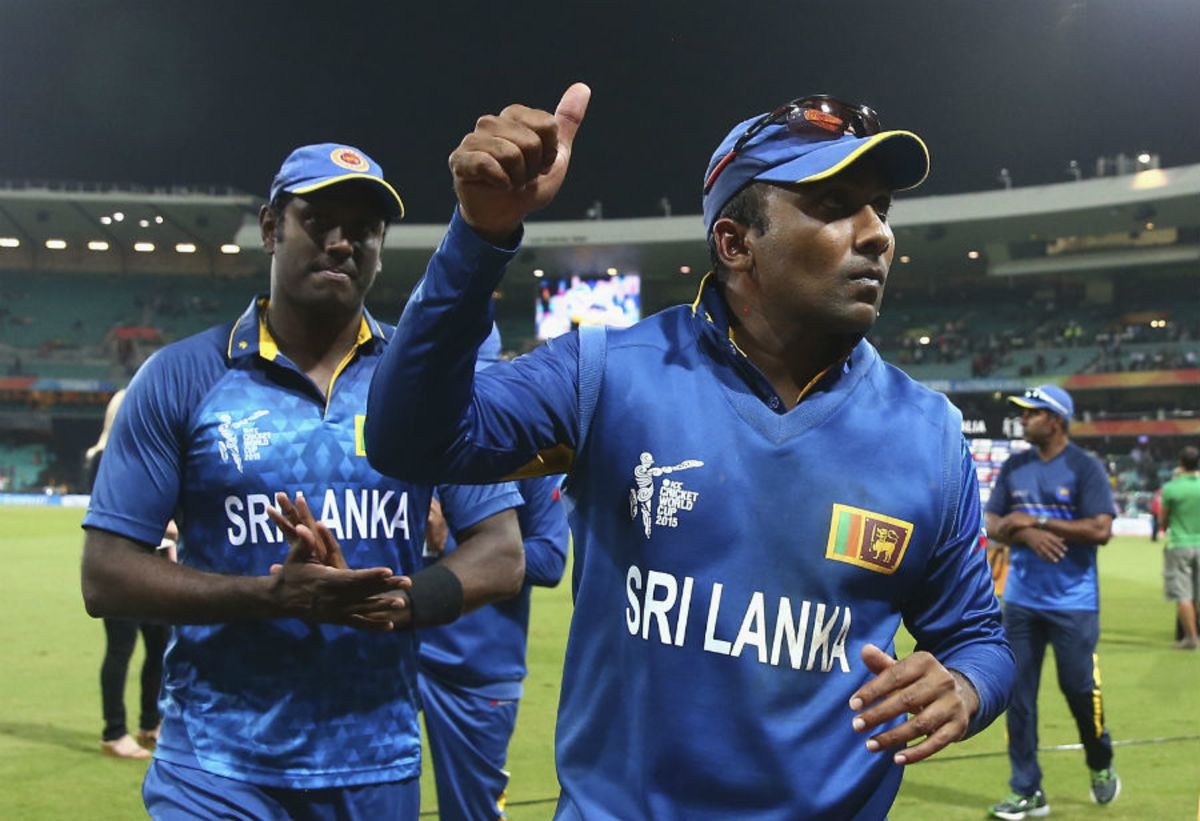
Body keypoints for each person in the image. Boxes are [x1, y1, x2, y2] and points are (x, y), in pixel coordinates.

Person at [365, 85, 1014, 819]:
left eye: (880, 209)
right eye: (835, 207)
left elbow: (977, 639)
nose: (877, 235)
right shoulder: (608, 373)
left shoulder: (927, 433)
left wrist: (962, 686)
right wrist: (479, 237)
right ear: (736, 243)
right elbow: (409, 440)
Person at [80, 143, 525, 819]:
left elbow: (502, 549)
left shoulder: (427, 382)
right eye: (319, 219)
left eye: (365, 227)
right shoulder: (181, 377)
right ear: (270, 228)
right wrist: (272, 595)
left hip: (375, 761)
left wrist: (399, 601)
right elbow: (106, 573)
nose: (343, 242)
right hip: (214, 764)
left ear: (380, 247)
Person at [418, 325, 570, 820]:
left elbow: (549, 560)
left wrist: (458, 546)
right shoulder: (410, 433)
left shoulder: (528, 448)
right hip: (398, 652)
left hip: (478, 668)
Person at [985, 384, 1120, 818]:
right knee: (1017, 696)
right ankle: (1027, 789)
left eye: (1031, 413)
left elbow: (1101, 530)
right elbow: (991, 522)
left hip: (1074, 603)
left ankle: (1100, 762)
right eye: (1022, 413)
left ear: (1056, 420)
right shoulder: (1014, 467)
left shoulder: (1085, 468)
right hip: (1021, 601)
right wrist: (1023, 532)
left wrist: (1041, 521)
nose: (1022, 420)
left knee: (1079, 689)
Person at [86, 388, 170, 760]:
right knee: (121, 648)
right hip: (119, 567)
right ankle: (113, 732)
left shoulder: (147, 453)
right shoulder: (105, 457)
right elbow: (113, 518)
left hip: (156, 564)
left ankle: (150, 724)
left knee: (158, 646)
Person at [1158, 446, 1200, 649]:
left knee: (1183, 594)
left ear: (1180, 463)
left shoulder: (1171, 488)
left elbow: (1163, 519)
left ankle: (1191, 638)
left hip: (1180, 543)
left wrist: (1165, 528)